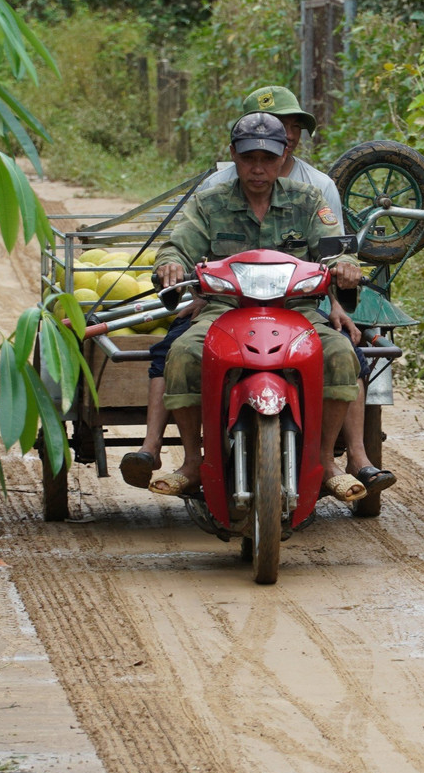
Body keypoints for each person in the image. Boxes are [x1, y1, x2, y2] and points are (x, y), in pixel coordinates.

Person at [119, 87, 395, 497]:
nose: (259, 168)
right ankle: (194, 463)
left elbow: (332, 247)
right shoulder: (210, 202)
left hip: (298, 312)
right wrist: (170, 264)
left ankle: (324, 461)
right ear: (234, 155)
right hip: (223, 312)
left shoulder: (308, 198)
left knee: (340, 354)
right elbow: (177, 245)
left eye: (268, 158)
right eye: (250, 158)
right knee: (180, 354)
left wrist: (343, 269)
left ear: (285, 155)